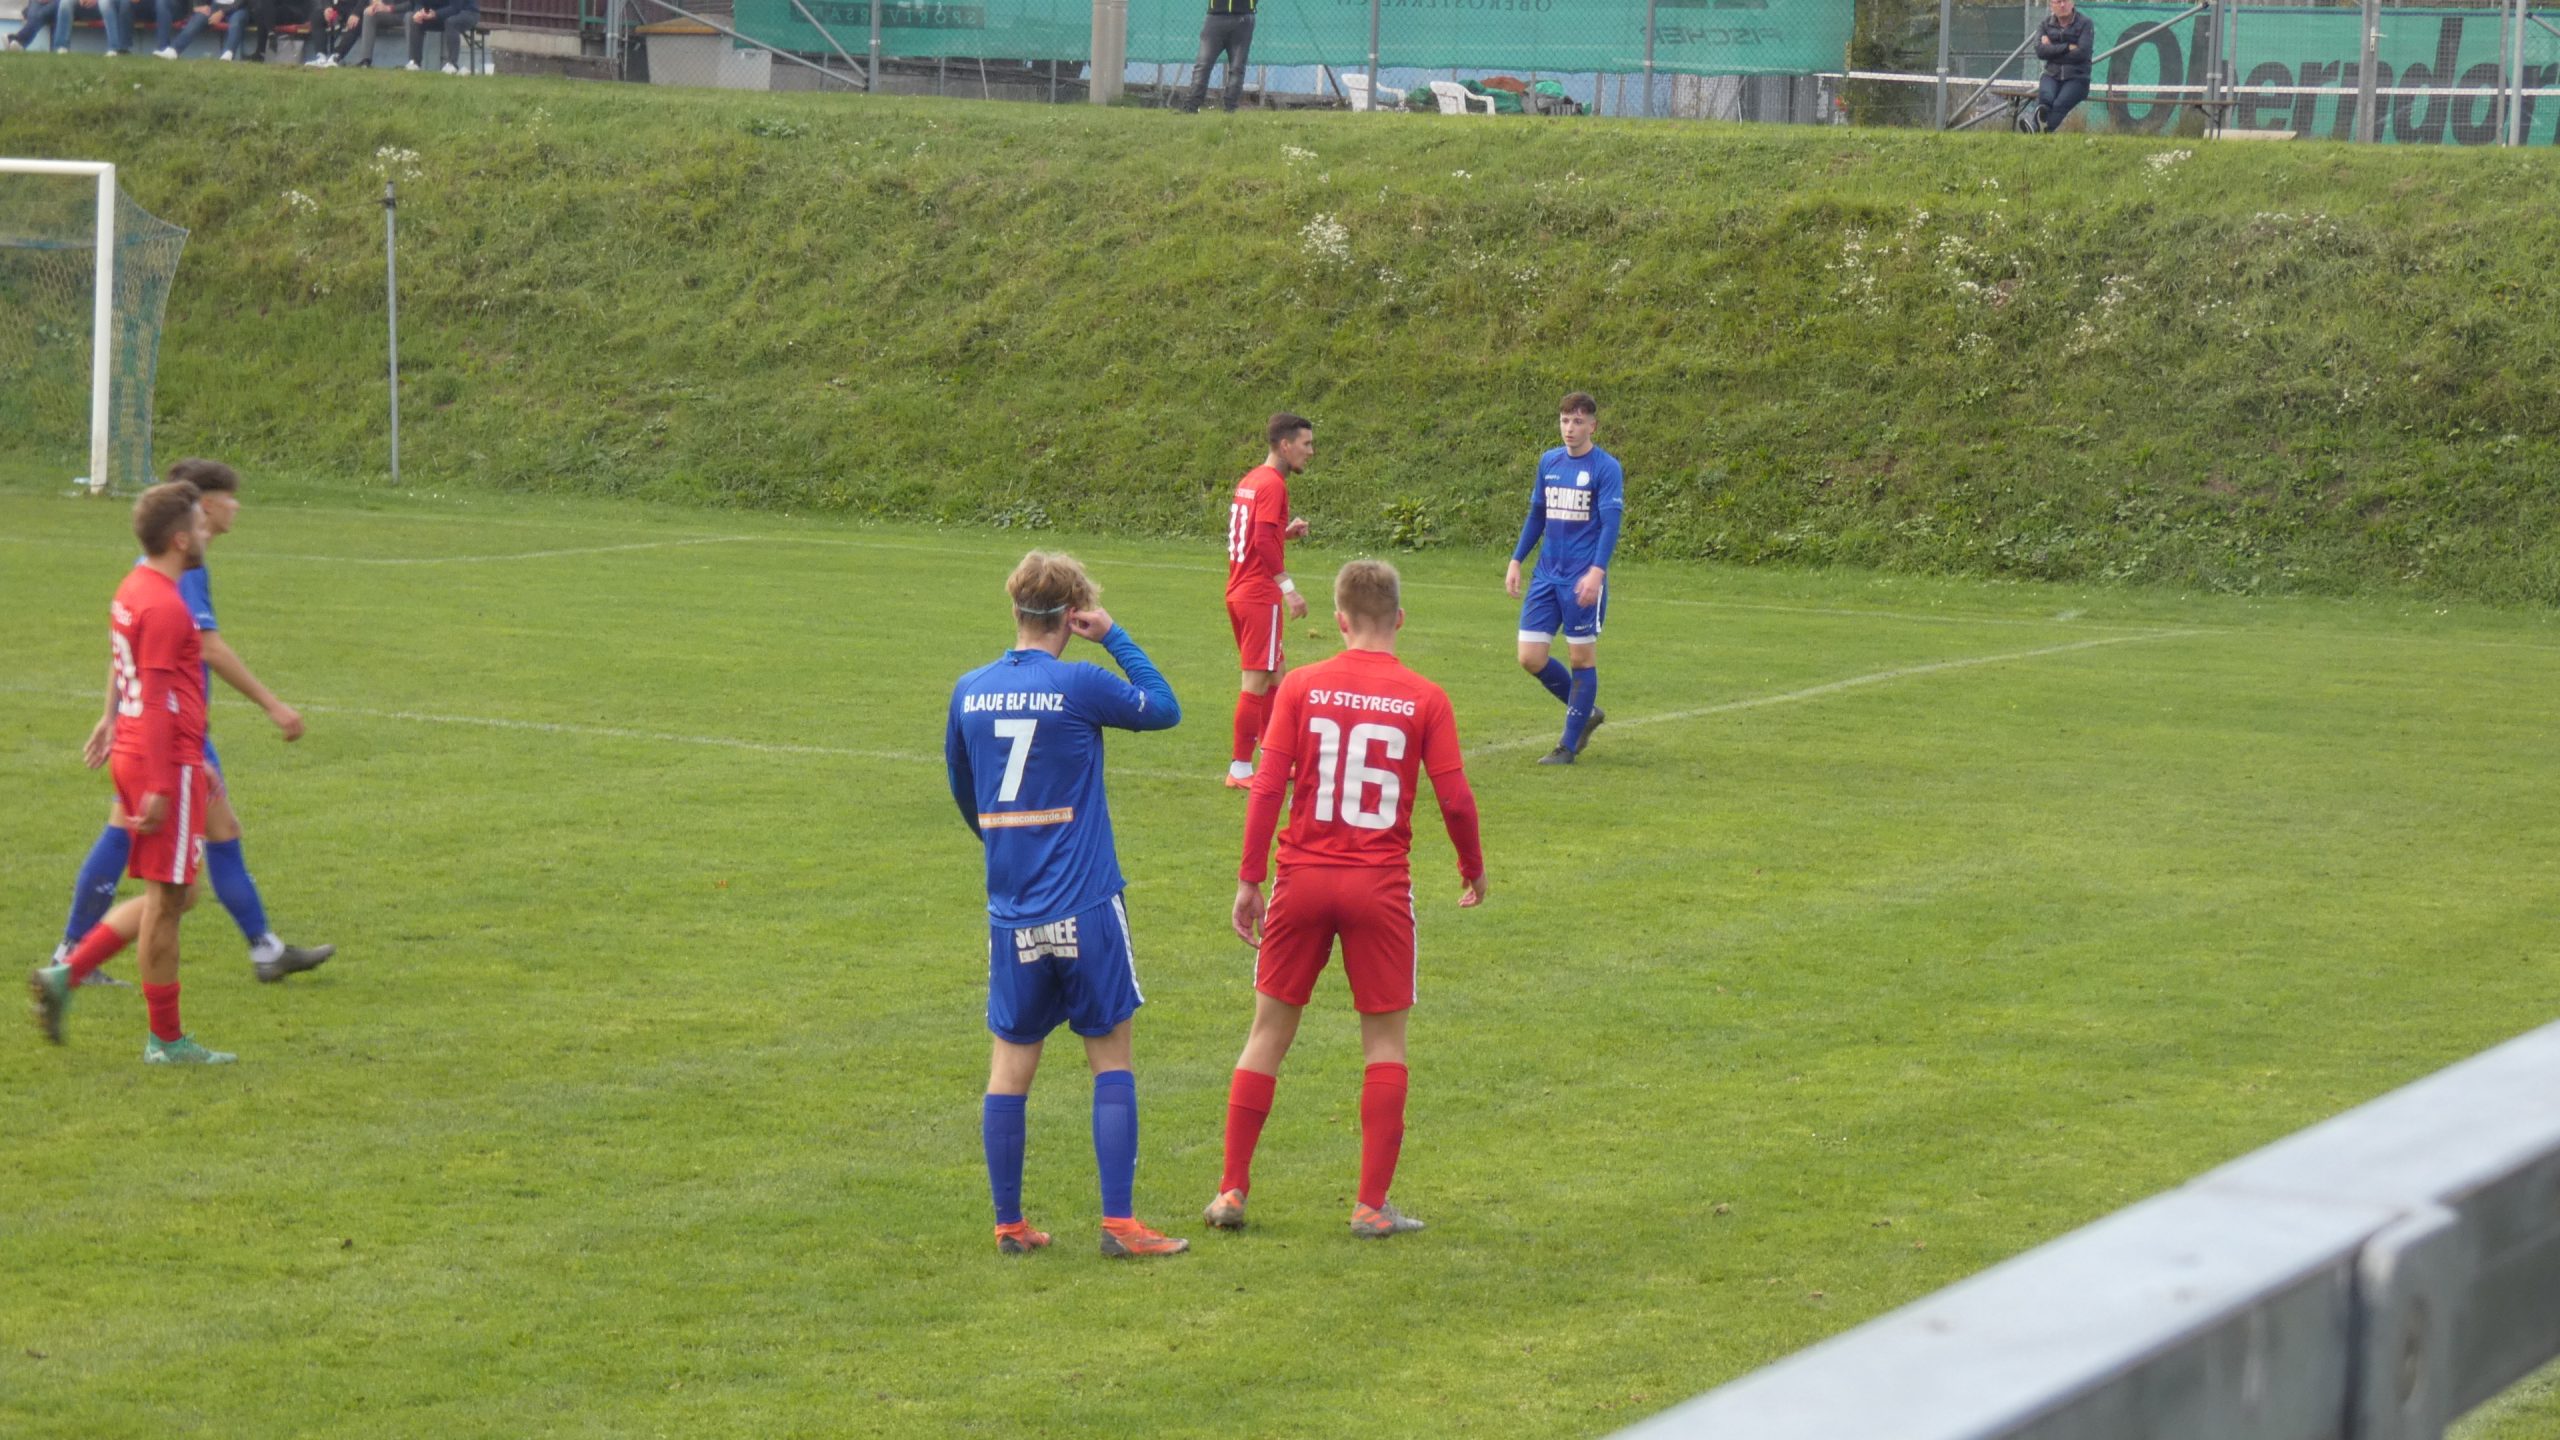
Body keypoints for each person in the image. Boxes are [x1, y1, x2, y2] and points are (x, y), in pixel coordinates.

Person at [1207, 559, 1487, 1239]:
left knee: (1267, 1033)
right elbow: (1454, 797)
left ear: (1338, 620)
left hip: (1301, 879)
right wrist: (1472, 867)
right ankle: (1369, 1205)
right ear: (1399, 619)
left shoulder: (1301, 685)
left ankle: (1231, 1191)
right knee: (1384, 1042)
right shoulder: (1425, 696)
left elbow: (1267, 787)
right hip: (1377, 886)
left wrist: (1249, 879)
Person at [945, 551, 1191, 1259]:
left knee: (1009, 1066)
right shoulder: (1080, 683)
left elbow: (965, 789)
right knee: (1110, 1059)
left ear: (1014, 607)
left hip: (1012, 909)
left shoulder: (969, 690)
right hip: (1085, 903)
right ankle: (1119, 1224)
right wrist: (1114, 636)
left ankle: (1009, 1224)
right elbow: (1164, 707)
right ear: (1072, 613)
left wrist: (1006, 845)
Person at [49, 459, 333, 990]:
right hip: (170, 735)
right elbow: (206, 648)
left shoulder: (153, 569)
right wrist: (273, 706)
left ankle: (264, 947)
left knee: (216, 835)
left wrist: (112, 714)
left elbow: (127, 649)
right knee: (166, 879)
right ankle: (74, 960)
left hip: (160, 729)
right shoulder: (184, 571)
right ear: (202, 507)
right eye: (227, 498)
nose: (235, 507)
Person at [29, 483, 235, 1065]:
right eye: (198, 525)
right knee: (168, 902)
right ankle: (164, 1041)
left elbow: (141, 685)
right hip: (157, 761)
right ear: (179, 539)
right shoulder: (168, 607)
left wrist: (187, 760)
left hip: (140, 752)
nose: (206, 533)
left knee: (179, 893)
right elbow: (163, 700)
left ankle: (66, 975)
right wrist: (167, 784)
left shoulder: (133, 588)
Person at [1505, 391, 1623, 766]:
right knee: (1530, 657)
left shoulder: (1606, 468)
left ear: (1592, 426)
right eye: (1564, 420)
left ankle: (1567, 746)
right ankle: (1585, 711)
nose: (1569, 428)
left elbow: (1610, 524)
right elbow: (1537, 514)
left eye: (1577, 421)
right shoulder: (1549, 462)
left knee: (1580, 657)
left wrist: (1596, 572)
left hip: (1581, 578)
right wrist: (1516, 560)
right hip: (1546, 575)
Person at [1222, 412, 1313, 790]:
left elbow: (1254, 536)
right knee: (1256, 681)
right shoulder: (1274, 484)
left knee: (1277, 675)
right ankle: (1241, 768)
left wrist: (1283, 534)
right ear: (1285, 445)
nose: (1311, 451)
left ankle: (1274, 758)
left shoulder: (1252, 480)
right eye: (1306, 444)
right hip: (1259, 595)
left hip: (1240, 591)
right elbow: (1260, 540)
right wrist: (1288, 588)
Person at [1176, 0, 1255, 114]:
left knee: (1237, 68)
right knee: (1203, 65)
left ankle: (1230, 109)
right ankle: (1191, 106)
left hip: (1243, 18)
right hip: (1215, 17)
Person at [2032, 0, 2095, 133]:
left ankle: (2036, 131)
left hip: (2077, 77)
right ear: (2051, 5)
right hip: (2051, 74)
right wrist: (2067, 47)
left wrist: (2051, 50)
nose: (2062, 5)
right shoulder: (2045, 24)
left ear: (2072, 3)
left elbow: (2082, 53)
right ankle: (2037, 131)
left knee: (2060, 104)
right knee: (2045, 99)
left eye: (2065, 1)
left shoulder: (2085, 23)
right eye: (2058, 1)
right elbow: (2040, 51)